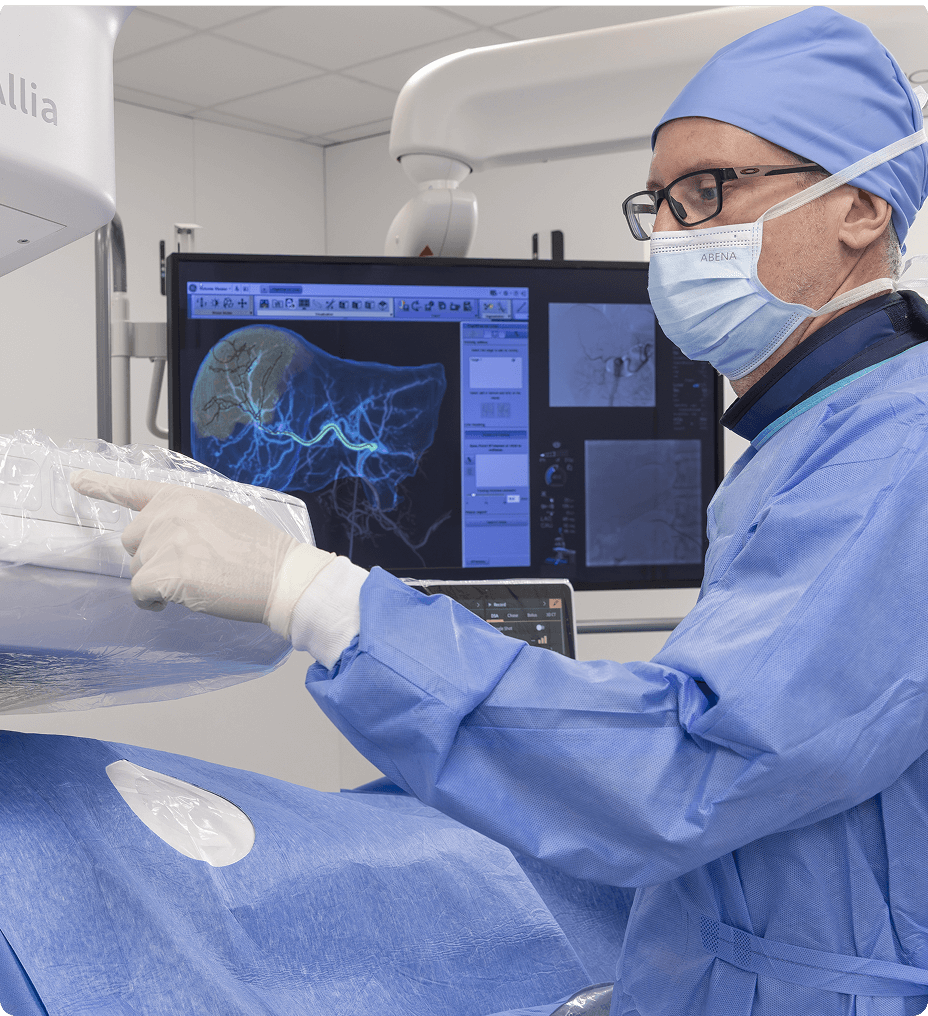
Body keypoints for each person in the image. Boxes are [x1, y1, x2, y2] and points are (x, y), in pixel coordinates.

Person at [71, 7, 928, 1015]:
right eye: (657, 205)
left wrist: (303, 590)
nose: (670, 237)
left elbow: (683, 765)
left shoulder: (897, 454)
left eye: (707, 191)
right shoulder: (815, 437)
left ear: (858, 208)